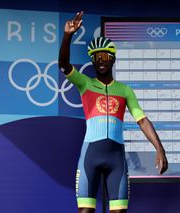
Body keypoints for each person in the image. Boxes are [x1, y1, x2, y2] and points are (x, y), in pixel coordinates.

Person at [58, 11, 168, 213]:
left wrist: (160, 149)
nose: (101, 60)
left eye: (105, 56)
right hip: (90, 156)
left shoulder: (125, 90)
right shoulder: (85, 84)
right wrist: (67, 35)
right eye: (96, 56)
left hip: (116, 159)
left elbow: (142, 120)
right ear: (92, 60)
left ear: (113, 59)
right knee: (85, 211)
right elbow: (64, 65)